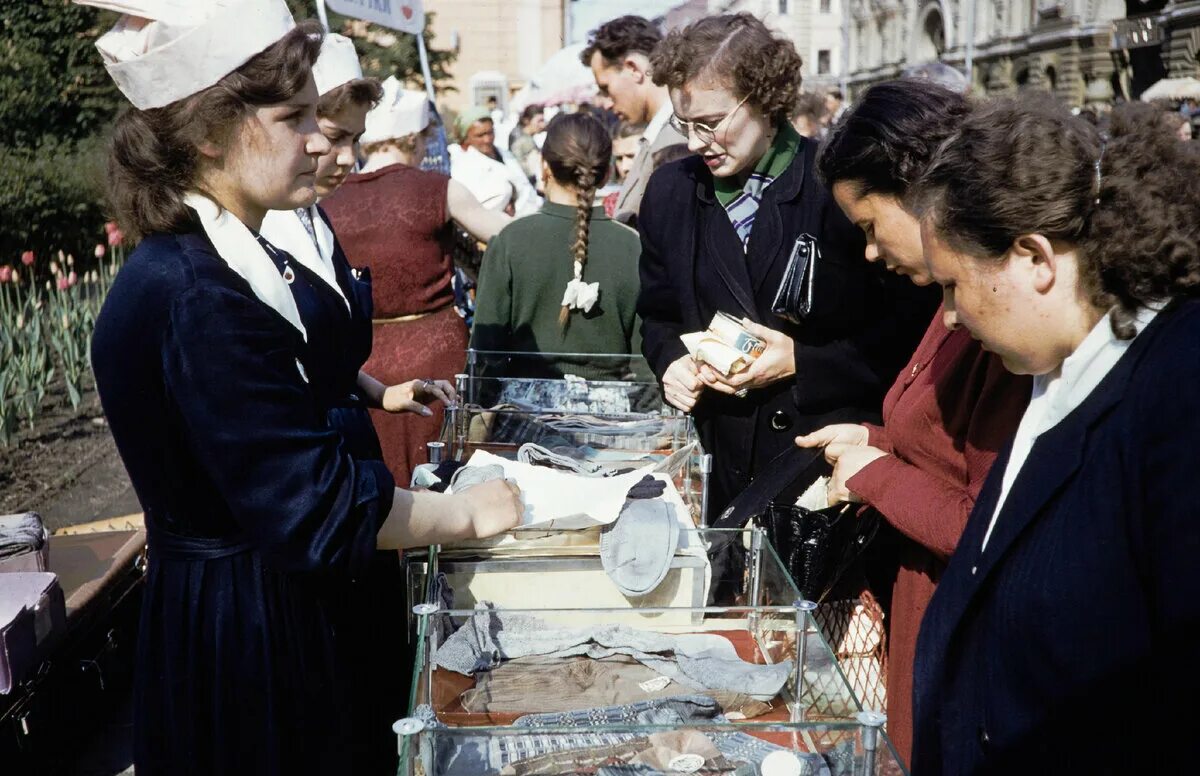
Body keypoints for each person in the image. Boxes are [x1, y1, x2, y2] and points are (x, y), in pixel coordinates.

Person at [83, 3, 522, 774]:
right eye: (294, 117)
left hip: (250, 598)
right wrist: (467, 512)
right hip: (244, 630)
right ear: (207, 132)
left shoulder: (211, 261)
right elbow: (312, 505)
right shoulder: (197, 292)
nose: (320, 140)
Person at [909, 96, 1200, 773]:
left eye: (954, 287)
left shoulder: (1177, 391)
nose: (949, 319)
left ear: (1034, 258)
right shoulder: (1055, 373)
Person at [796, 79, 1031, 764]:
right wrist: (871, 443)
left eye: (870, 226)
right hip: (926, 617)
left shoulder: (991, 322)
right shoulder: (948, 300)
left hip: (963, 643)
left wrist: (877, 476)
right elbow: (932, 445)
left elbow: (986, 522)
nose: (869, 252)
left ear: (918, 191)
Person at [638, 13, 937, 515]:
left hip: (824, 464)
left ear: (764, 99)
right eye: (683, 124)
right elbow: (657, 314)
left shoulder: (839, 189)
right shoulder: (669, 193)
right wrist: (671, 363)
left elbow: (911, 333)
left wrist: (804, 361)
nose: (694, 143)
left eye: (709, 124)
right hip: (717, 466)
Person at [323, 78, 509, 487]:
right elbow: (508, 234)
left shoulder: (325, 199)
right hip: (434, 359)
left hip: (362, 363)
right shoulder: (438, 188)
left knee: (375, 479)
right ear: (412, 138)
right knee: (443, 479)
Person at [472, 112, 642, 381]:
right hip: (615, 416)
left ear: (544, 167)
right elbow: (644, 359)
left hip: (525, 412)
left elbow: (484, 353)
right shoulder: (632, 245)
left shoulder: (511, 240)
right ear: (606, 173)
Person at [581, 15, 686, 223]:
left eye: (606, 88)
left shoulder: (677, 140)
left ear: (633, 69)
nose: (607, 103)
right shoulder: (660, 135)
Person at [450, 106, 540, 216]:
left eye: (490, 132)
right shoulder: (463, 166)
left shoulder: (505, 154)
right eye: (480, 135)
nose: (487, 139)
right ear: (466, 137)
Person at [509, 103, 546, 180]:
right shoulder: (522, 140)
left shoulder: (523, 136)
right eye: (539, 121)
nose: (543, 125)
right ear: (527, 121)